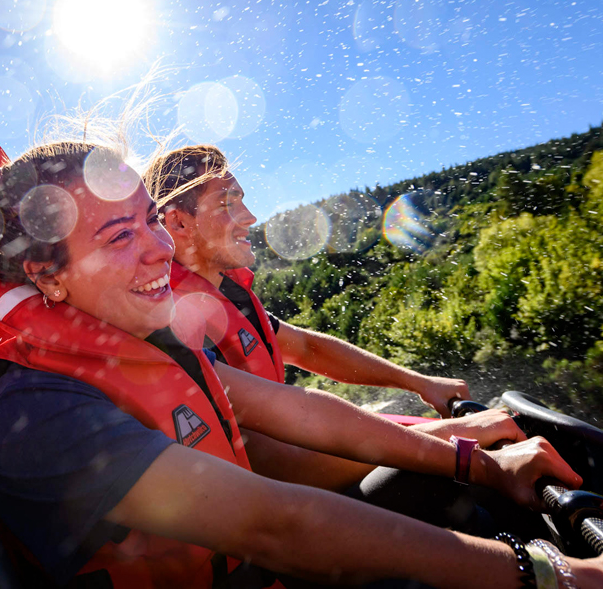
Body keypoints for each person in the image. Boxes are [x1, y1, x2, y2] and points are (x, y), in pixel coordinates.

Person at [0, 139, 601, 588]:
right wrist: (555, 575)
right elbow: (279, 522)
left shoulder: (146, 347)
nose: (158, 249)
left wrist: (478, 461)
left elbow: (304, 410)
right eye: (120, 236)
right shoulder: (39, 412)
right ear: (49, 276)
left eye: (148, 221)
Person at [143, 145, 504, 491]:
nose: (250, 217)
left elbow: (305, 347)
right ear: (179, 223)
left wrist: (420, 383)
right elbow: (286, 468)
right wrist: (459, 439)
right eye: (228, 203)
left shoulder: (228, 292)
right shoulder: (175, 322)